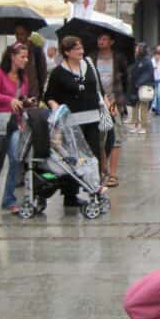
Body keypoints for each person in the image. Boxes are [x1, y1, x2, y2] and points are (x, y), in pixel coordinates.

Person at [44, 35, 104, 207]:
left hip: (92, 118)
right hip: (71, 122)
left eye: (81, 47)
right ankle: (70, 195)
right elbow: (49, 95)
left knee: (93, 156)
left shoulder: (89, 65)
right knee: (73, 158)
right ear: (67, 52)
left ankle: (94, 190)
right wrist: (56, 107)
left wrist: (106, 101)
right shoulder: (58, 72)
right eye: (76, 49)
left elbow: (98, 87)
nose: (81, 51)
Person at [0, 43, 31, 215]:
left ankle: (9, 199)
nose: (26, 60)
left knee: (16, 159)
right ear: (12, 57)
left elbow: (22, 98)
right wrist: (9, 100)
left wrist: (26, 101)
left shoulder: (24, 77)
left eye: (26, 56)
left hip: (15, 123)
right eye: (22, 56)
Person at [93, 33, 129, 188]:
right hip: (97, 102)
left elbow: (126, 80)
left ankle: (113, 174)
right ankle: (103, 169)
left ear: (111, 42)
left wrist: (119, 99)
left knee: (115, 137)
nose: (101, 41)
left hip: (114, 102)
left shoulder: (118, 58)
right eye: (100, 38)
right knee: (99, 138)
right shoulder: (91, 57)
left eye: (104, 39)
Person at [13, 23, 47, 99]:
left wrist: (39, 90)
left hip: (32, 93)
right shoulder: (12, 50)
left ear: (29, 34)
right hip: (14, 92)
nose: (19, 37)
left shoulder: (36, 50)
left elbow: (42, 72)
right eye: (17, 34)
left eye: (22, 34)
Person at [128, 44, 154, 133]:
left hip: (143, 86)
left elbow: (148, 73)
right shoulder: (137, 59)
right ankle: (135, 124)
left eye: (138, 48)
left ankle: (143, 127)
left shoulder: (147, 60)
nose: (136, 49)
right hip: (135, 86)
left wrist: (140, 82)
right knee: (135, 106)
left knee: (143, 107)